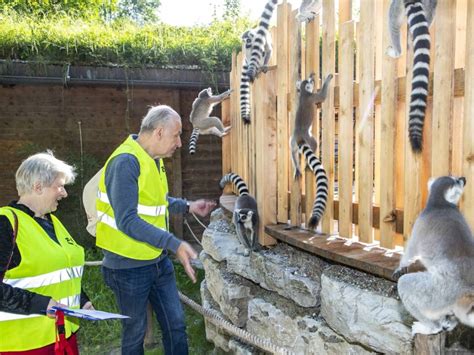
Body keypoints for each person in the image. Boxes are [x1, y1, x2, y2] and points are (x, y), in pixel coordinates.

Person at [96, 105, 216, 355]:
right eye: (177, 135)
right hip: (127, 268)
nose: (180, 143)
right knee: (135, 336)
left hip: (157, 261)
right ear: (159, 132)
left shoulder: (153, 159)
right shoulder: (126, 162)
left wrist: (188, 206)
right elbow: (127, 220)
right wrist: (175, 244)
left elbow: (156, 203)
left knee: (176, 326)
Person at [0, 151, 93, 354]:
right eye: (59, 186)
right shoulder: (5, 224)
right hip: (23, 344)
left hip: (63, 336)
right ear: (38, 187)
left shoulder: (53, 221)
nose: (64, 193)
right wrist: (41, 304)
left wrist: (82, 300)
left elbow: (63, 271)